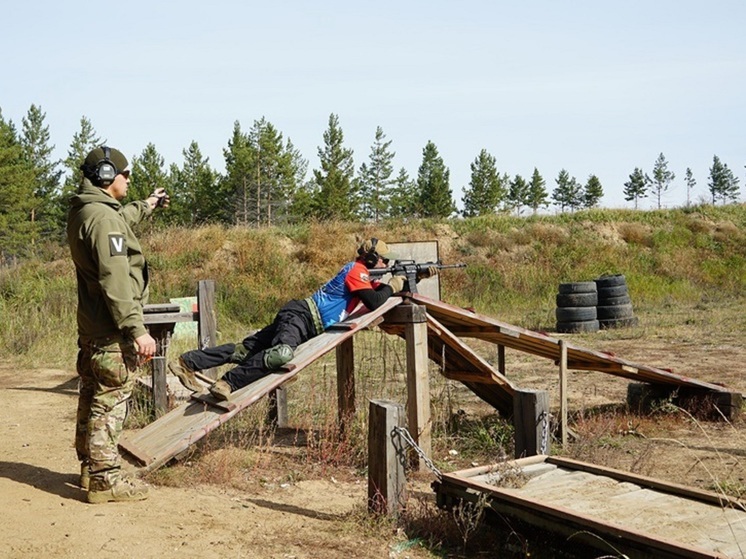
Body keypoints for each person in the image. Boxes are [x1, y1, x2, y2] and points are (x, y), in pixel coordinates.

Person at [169, 238, 437, 401]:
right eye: (383, 260)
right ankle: (228, 383)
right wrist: (394, 282)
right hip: (302, 316)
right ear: (370, 258)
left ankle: (188, 362)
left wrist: (416, 276)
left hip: (300, 318)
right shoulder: (356, 270)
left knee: (243, 350)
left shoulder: (363, 277)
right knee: (282, 354)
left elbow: (380, 295)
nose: (385, 264)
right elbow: (376, 301)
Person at [67, 145, 169, 504]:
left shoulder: (87, 211)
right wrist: (137, 329)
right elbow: (115, 276)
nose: (128, 179)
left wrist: (148, 204)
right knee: (111, 400)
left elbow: (119, 220)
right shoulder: (105, 219)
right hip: (112, 327)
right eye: (125, 174)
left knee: (91, 394)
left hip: (93, 325)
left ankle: (89, 467)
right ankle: (105, 480)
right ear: (108, 176)